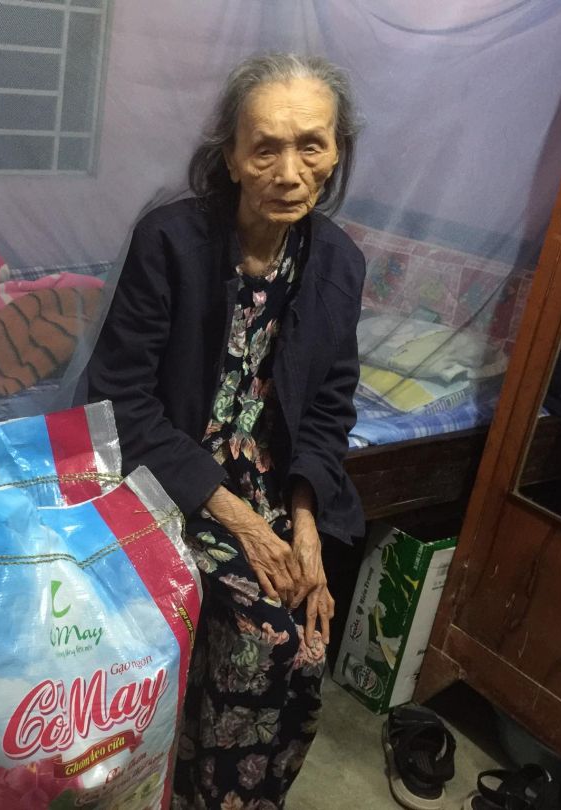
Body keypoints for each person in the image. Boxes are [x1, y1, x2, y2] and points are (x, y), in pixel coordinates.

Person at [87, 53, 366, 809]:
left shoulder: (339, 262)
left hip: (279, 482)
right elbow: (119, 401)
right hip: (176, 477)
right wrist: (241, 521)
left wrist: (305, 523)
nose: (290, 172)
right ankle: (198, 791)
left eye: (311, 146)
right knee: (263, 633)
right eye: (265, 148)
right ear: (232, 156)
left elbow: (332, 402)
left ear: (337, 152)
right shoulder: (171, 242)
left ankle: (252, 795)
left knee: (311, 634)